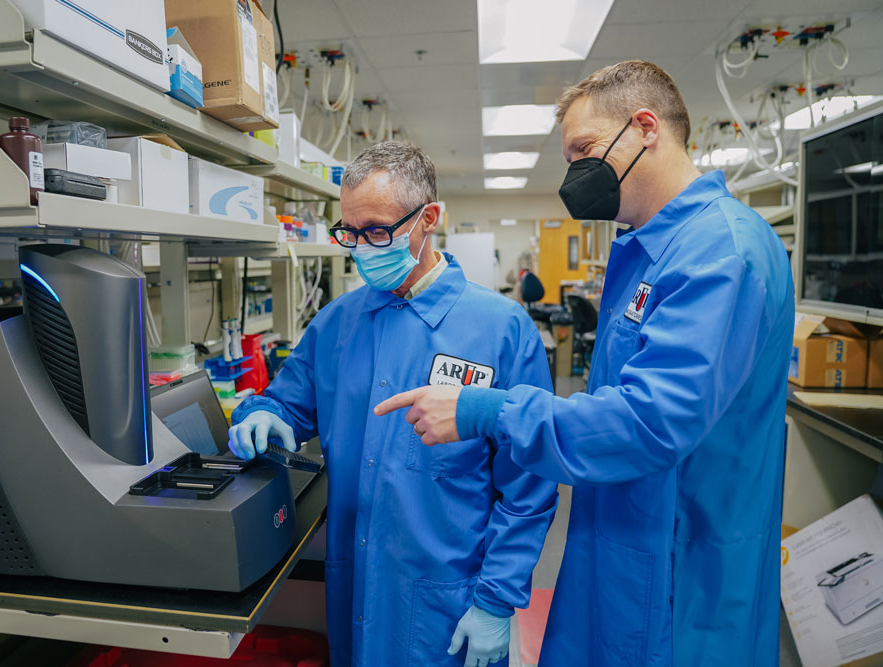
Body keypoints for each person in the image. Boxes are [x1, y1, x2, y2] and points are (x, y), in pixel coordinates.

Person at [375, 61, 794, 665]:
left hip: (684, 575)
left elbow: (650, 422)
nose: (575, 173)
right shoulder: (647, 249)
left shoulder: (719, 253)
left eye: (583, 150)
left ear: (644, 127)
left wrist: (486, 409)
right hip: (623, 546)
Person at [228, 142, 558, 667]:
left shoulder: (500, 328)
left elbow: (529, 486)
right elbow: (286, 405)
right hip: (356, 586)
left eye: (377, 231)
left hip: (449, 602)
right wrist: (259, 414)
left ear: (428, 219)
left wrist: (496, 600)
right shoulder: (337, 323)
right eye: (350, 233)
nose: (361, 248)